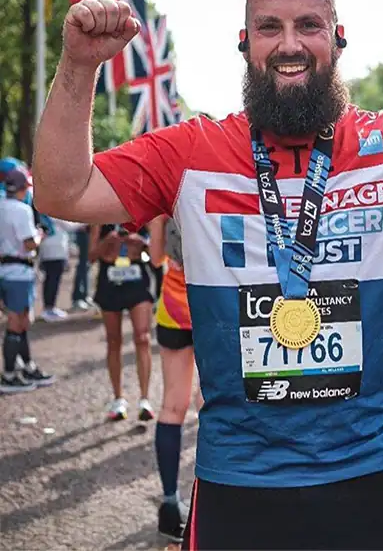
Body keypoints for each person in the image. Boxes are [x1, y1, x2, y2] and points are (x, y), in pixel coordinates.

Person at [32, 0, 383, 550]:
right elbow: (62, 193)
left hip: (375, 474)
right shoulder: (191, 152)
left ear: (338, 38)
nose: (289, 44)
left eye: (309, 25)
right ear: (244, 43)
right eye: (269, 27)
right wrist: (79, 67)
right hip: (240, 483)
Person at [148, 214, 201, 543]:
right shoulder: (211, 182)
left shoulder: (163, 203)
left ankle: (170, 505)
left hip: (172, 305)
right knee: (210, 404)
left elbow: (156, 258)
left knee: (172, 406)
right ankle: (209, 500)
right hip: (212, 304)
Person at [88, 223, 155, 421]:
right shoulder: (100, 218)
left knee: (143, 338)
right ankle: (118, 399)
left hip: (137, 277)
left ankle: (145, 399)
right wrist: (109, 241)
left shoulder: (143, 214)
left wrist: (141, 242)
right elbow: (91, 256)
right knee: (114, 340)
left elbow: (158, 254)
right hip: (109, 279)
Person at [0, 169, 55, 393]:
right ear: (23, 189)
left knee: (21, 320)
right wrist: (40, 235)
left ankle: (26, 367)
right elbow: (28, 244)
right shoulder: (22, 210)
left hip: (5, 269)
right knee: (16, 322)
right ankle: (10, 374)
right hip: (19, 272)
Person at [39, 217, 84, 321]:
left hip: (48, 251)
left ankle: (48, 307)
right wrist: (87, 222)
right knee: (53, 281)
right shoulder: (53, 213)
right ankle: (49, 309)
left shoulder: (46, 212)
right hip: (56, 252)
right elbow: (70, 226)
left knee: (50, 280)